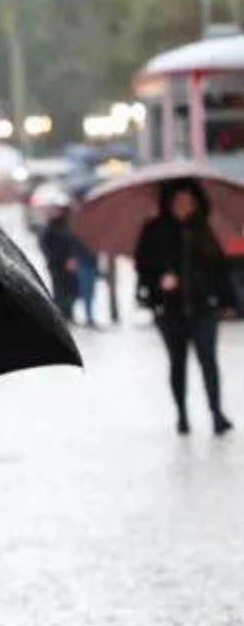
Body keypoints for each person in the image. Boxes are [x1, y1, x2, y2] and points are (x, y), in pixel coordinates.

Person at [135, 179, 237, 436]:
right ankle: (182, 415)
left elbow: (219, 270)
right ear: (168, 203)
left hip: (203, 308)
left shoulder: (203, 229)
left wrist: (227, 301)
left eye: (189, 202)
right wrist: (161, 281)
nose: (184, 206)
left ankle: (216, 413)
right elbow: (143, 267)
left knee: (208, 361)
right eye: (179, 201)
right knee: (177, 364)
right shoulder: (154, 230)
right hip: (170, 310)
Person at [38, 210, 79, 322]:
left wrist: (72, 258)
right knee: (59, 289)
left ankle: (68, 313)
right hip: (56, 265)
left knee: (69, 289)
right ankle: (62, 314)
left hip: (67, 265)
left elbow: (73, 244)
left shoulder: (67, 228)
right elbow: (45, 247)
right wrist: (57, 256)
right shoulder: (49, 230)